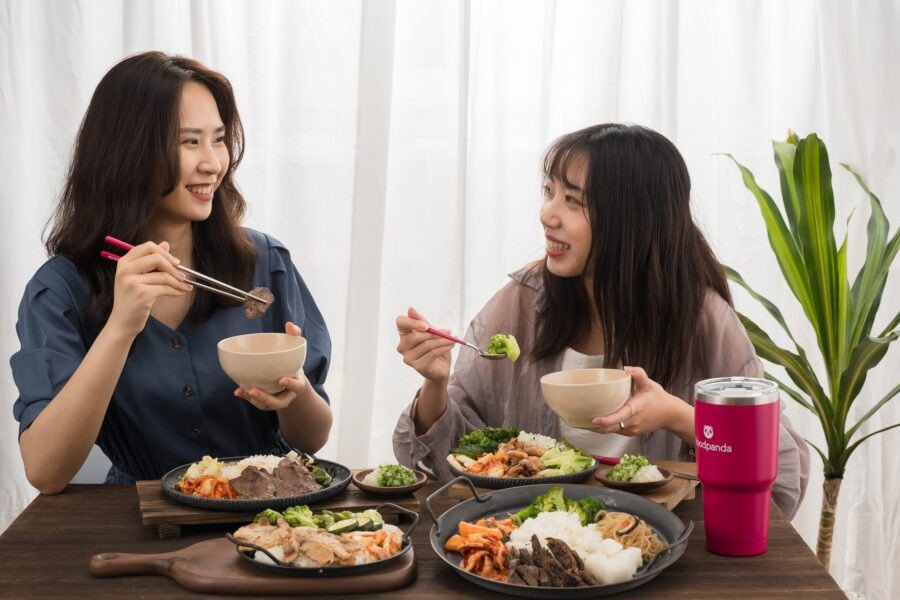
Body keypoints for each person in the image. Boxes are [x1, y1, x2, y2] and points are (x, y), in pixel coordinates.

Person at [393, 123, 809, 517]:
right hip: (526, 542)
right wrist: (435, 383)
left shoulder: (702, 321)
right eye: (549, 192)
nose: (547, 214)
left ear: (631, 219)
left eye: (572, 201)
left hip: (661, 550)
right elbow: (456, 463)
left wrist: (678, 417)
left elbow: (779, 480)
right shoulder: (521, 304)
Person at [11, 52, 332, 494]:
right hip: (141, 522)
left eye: (218, 139)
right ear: (127, 152)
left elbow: (313, 437)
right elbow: (46, 472)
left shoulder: (263, 261)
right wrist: (121, 327)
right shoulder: (61, 291)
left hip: (271, 514)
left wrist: (295, 395)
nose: (213, 163)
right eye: (188, 142)